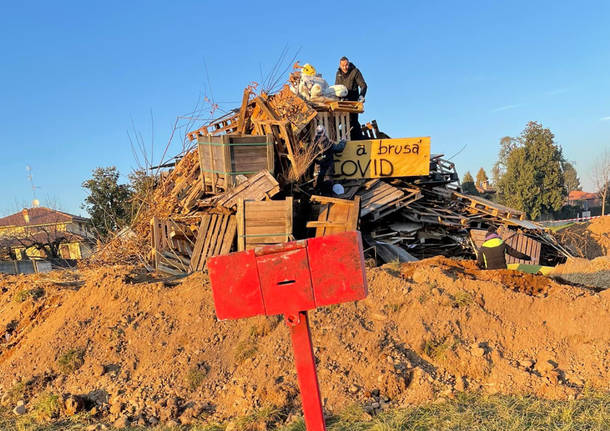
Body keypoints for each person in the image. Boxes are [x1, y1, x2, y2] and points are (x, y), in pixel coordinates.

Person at [335, 56, 367, 140]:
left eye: (346, 65)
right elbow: (336, 88)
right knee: (338, 122)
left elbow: (363, 85)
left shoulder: (355, 72)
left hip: (352, 103)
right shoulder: (338, 74)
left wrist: (361, 96)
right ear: (340, 65)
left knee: (353, 122)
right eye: (343, 66)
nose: (345, 67)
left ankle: (358, 140)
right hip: (342, 104)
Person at [313, 125, 346, 195]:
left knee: (317, 187)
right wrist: (343, 141)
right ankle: (328, 202)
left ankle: (318, 201)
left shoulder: (313, 145)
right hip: (328, 170)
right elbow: (339, 148)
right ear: (324, 133)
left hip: (317, 171)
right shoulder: (329, 143)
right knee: (327, 188)